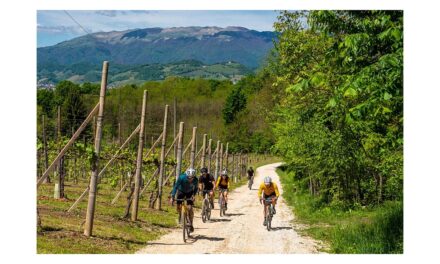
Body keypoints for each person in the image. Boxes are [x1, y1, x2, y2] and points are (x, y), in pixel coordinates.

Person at [170, 168, 199, 232]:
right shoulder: (181, 177)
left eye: (192, 178)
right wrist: (172, 196)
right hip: (181, 191)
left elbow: (196, 188)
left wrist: (194, 195)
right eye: (189, 178)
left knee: (190, 208)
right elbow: (176, 186)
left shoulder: (196, 180)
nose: (190, 179)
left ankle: (191, 223)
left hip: (190, 192)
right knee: (178, 207)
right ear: (186, 175)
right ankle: (180, 215)